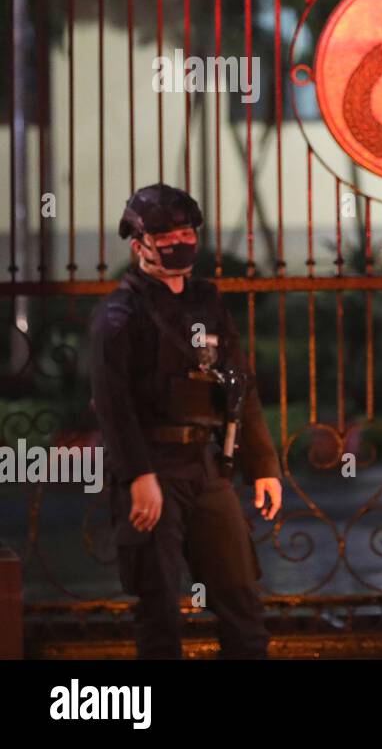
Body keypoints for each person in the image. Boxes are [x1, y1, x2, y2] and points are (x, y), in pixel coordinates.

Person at [88, 183, 282, 659]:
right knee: (160, 611)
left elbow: (241, 383)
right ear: (139, 246)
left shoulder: (206, 300)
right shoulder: (119, 314)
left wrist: (264, 466)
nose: (181, 243)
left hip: (205, 466)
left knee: (240, 598)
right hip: (153, 470)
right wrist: (139, 477)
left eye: (186, 233)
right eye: (167, 236)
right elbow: (113, 407)